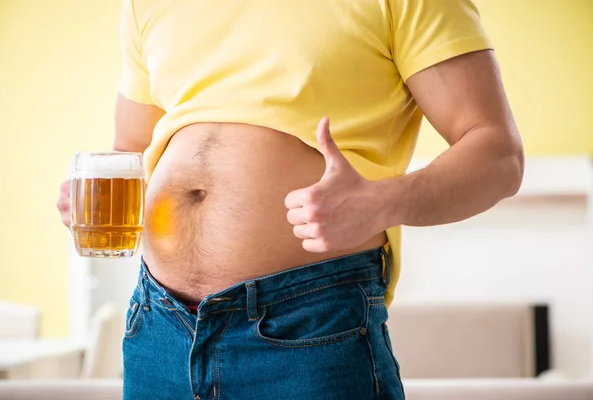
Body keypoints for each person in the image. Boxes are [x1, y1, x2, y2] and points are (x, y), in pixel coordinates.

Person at [56, 0, 524, 399]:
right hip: (158, 325)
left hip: (311, 322)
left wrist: (382, 203)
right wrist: (92, 203)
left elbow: (498, 152)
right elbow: (131, 148)